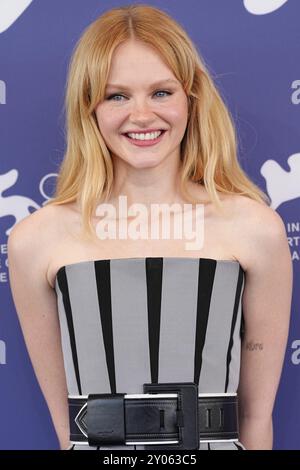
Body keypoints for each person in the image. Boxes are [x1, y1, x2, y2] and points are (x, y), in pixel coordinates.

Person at [7, 4, 293, 451]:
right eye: (116, 95)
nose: (141, 115)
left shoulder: (255, 229)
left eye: (161, 92)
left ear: (190, 98)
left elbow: (256, 418)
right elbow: (68, 428)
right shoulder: (35, 240)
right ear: (90, 107)